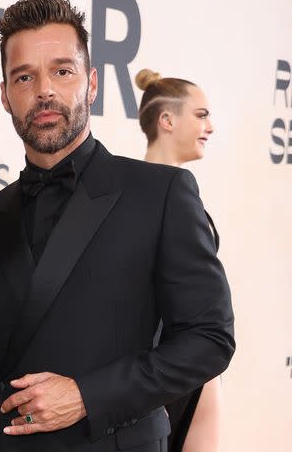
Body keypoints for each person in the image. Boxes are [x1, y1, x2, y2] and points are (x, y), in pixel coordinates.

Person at [0, 0, 234, 452]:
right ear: (5, 96)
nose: (44, 90)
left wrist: (88, 396)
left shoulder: (160, 194)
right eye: (24, 76)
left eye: (62, 71)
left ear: (91, 83)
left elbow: (210, 339)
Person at [136, 68, 222, 452]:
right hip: (163, 381)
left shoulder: (181, 192)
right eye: (201, 115)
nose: (211, 126)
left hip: (194, 370)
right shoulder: (136, 195)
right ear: (166, 120)